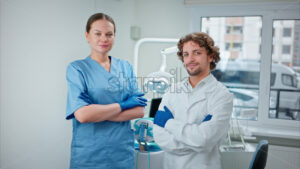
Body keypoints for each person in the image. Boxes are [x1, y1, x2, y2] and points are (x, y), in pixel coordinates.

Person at [65, 13, 147, 169]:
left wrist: (98, 112)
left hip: (121, 153)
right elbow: (83, 115)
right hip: (90, 155)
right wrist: (123, 105)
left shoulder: (125, 67)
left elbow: (139, 111)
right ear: (87, 35)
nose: (104, 39)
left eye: (109, 34)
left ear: (114, 37)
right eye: (98, 34)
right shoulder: (77, 69)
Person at [153, 32, 233, 169]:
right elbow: (159, 136)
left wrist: (168, 122)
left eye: (197, 53)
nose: (190, 59)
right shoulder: (172, 90)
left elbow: (205, 139)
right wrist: (196, 141)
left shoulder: (222, 96)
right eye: (186, 54)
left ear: (211, 57)